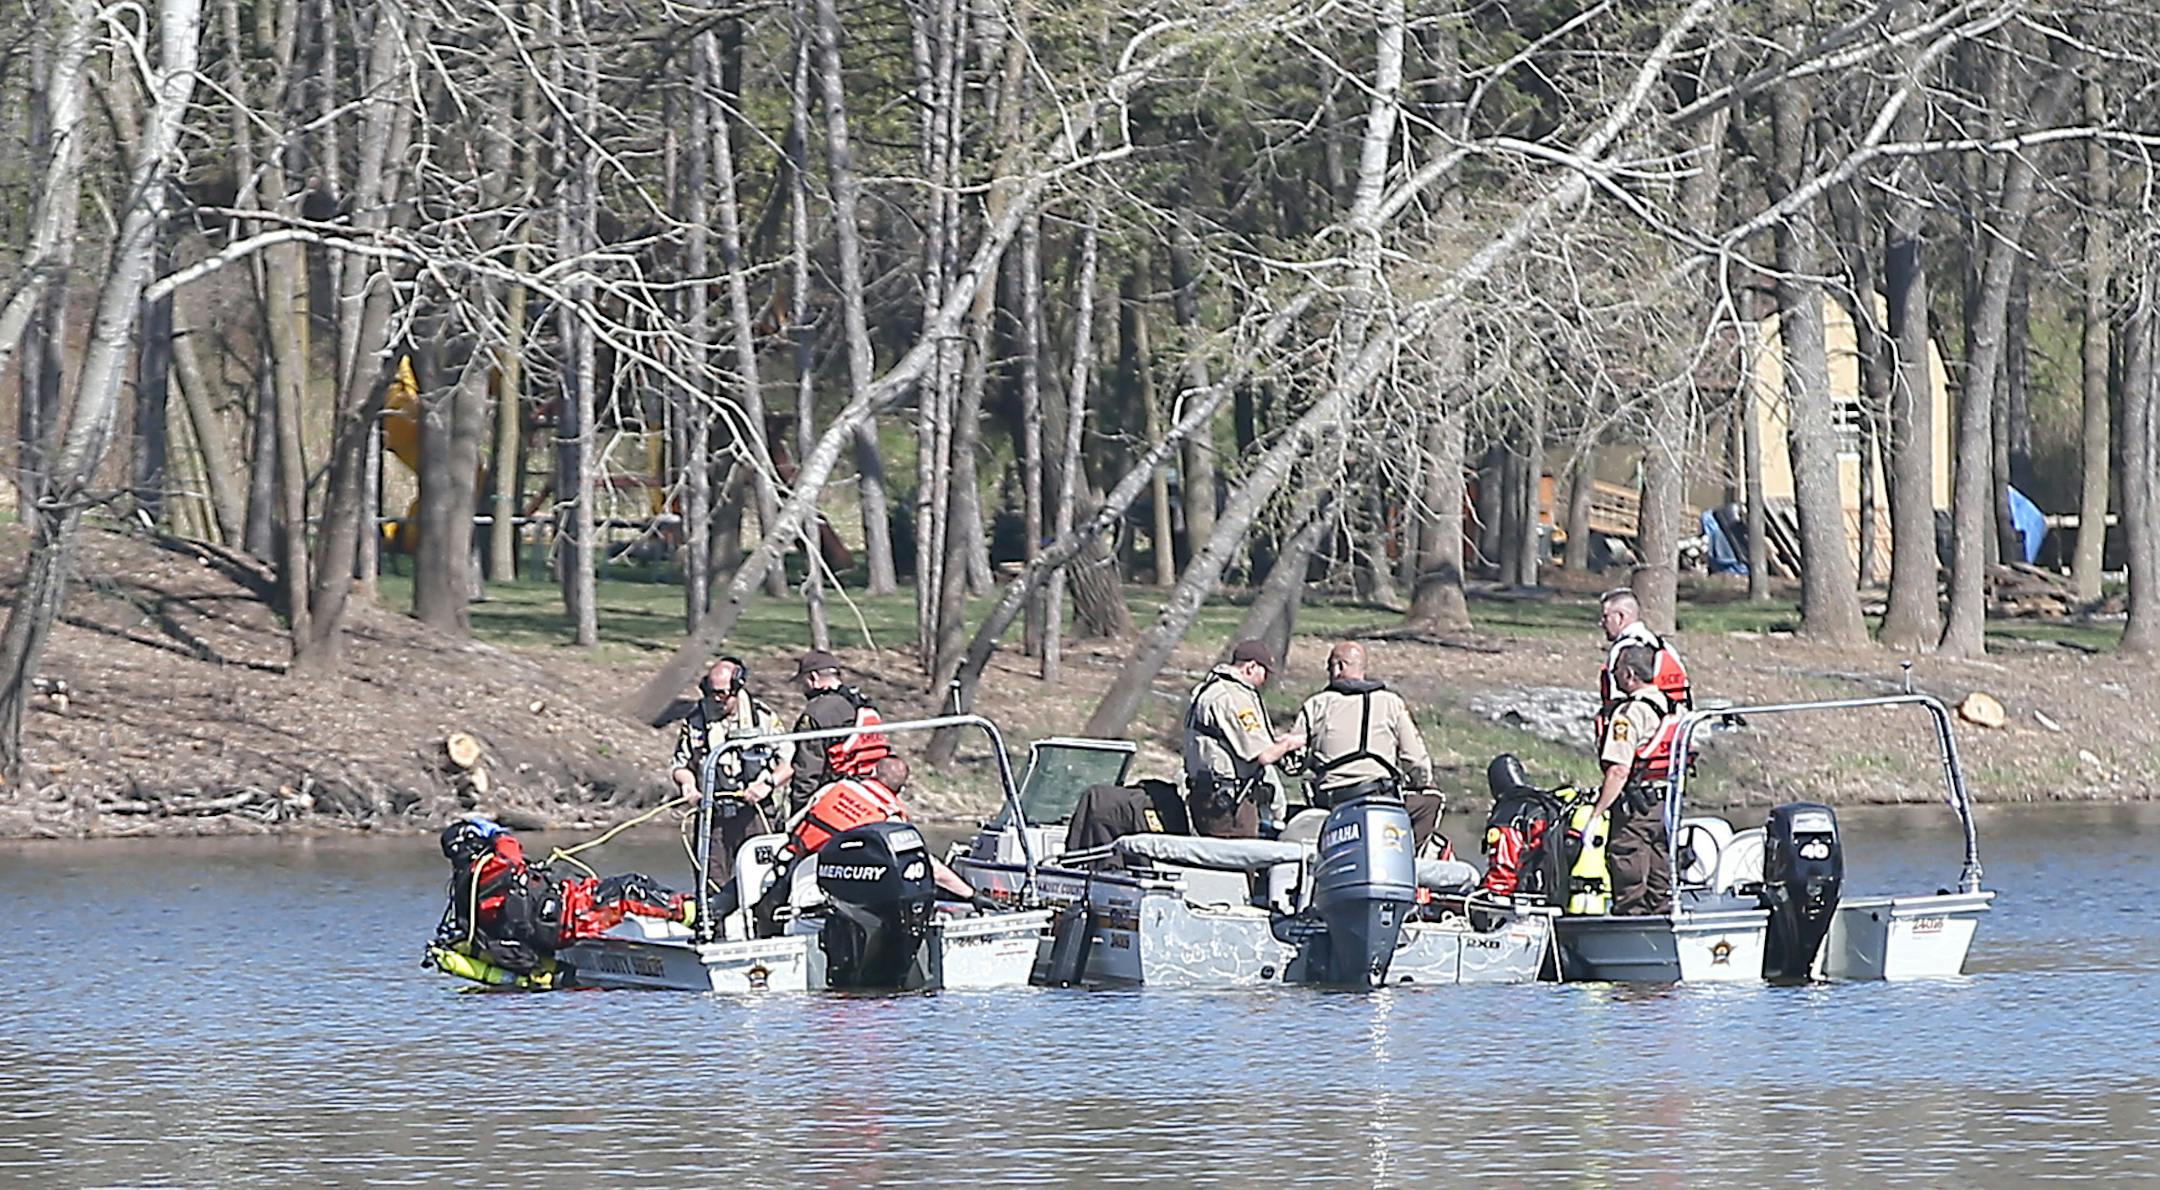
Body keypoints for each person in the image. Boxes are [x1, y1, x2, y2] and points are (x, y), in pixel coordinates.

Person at [720, 757, 992, 931]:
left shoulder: (837, 788)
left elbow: (794, 824)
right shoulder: (891, 817)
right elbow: (927, 866)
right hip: (841, 891)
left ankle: (721, 917)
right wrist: (971, 894)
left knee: (767, 909)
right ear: (901, 789)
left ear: (873, 772)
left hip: (797, 867)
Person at [1291, 641, 1447, 854]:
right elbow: (1416, 759)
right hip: (1378, 799)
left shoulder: (1315, 705)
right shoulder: (1391, 703)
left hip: (1331, 800)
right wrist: (1422, 782)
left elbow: (1293, 764)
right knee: (1432, 801)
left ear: (1339, 667)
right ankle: (1406, 860)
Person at [671, 656, 793, 885]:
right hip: (713, 814)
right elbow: (681, 765)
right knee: (712, 881)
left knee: (763, 881)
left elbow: (788, 763)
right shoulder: (696, 721)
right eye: (711, 692)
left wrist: (766, 784)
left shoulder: (762, 717)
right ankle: (715, 920)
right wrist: (688, 786)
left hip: (755, 813)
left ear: (737, 688)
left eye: (723, 693)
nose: (717, 699)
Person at [1183, 639, 1305, 839]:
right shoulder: (1233, 697)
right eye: (1264, 672)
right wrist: (1290, 743)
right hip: (1229, 805)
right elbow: (1262, 755)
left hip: (1205, 795)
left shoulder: (1208, 689)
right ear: (1251, 667)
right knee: (1239, 862)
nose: (1265, 679)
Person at [1589, 644, 1679, 916]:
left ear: (1628, 674)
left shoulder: (1629, 714)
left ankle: (1631, 924)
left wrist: (1597, 814)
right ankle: (1661, 917)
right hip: (1664, 804)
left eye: (1616, 671)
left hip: (1637, 808)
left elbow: (1619, 770)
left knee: (1627, 855)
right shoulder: (1669, 706)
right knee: (1658, 861)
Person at [787, 650, 889, 813]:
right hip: (872, 797)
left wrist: (799, 812)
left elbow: (807, 772)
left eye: (802, 682)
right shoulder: (863, 704)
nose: (802, 689)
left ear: (813, 678)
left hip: (835, 801)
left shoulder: (816, 713)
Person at [1595, 588, 1692, 740]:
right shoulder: (1663, 646)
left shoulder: (1622, 652)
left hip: (1638, 733)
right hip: (1673, 733)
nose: (1601, 623)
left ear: (1621, 617)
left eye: (1605, 616)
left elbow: (1617, 704)